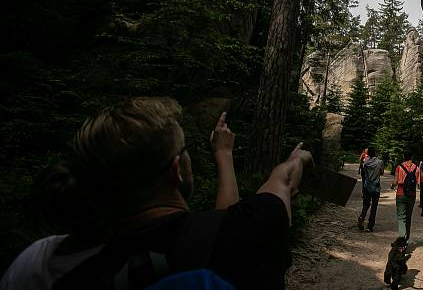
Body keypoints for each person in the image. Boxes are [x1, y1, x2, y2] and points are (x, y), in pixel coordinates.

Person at [8, 98, 313, 290]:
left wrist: (224, 153)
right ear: (176, 170)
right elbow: (283, 181)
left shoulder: (43, 262)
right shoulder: (248, 230)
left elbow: (219, 222)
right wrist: (297, 160)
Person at [390, 150, 423, 240]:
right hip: (412, 195)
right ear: (412, 157)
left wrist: (392, 185)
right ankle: (406, 238)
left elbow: (395, 182)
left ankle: (402, 239)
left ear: (404, 157)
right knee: (408, 217)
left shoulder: (399, 167)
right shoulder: (416, 168)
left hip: (401, 194)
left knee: (401, 217)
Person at [358, 147, 384, 232]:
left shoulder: (365, 162)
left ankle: (362, 216)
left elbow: (364, 173)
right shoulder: (380, 162)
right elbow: (382, 173)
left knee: (366, 204)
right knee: (374, 206)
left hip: (367, 186)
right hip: (376, 187)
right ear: (375, 152)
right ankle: (370, 226)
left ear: (368, 153)